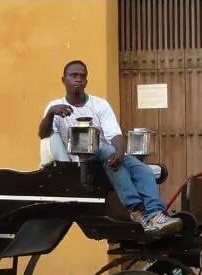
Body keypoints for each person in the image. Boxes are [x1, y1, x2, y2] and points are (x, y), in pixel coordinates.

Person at [38, 60, 182, 236]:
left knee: (143, 170)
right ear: (64, 80)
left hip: (106, 154)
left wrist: (120, 153)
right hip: (78, 161)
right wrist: (51, 113)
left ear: (86, 81)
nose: (78, 80)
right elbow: (44, 134)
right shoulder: (55, 107)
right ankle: (136, 208)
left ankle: (155, 214)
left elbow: (115, 135)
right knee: (106, 150)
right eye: (73, 75)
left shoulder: (100, 104)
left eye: (82, 76)